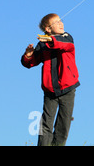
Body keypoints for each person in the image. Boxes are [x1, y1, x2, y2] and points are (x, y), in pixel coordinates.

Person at [21, 13, 80, 146]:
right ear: (48, 29)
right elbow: (30, 63)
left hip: (68, 88)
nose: (61, 24)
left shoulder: (67, 37)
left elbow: (64, 45)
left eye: (61, 21)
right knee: (46, 124)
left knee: (64, 123)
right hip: (50, 92)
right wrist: (28, 55)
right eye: (57, 22)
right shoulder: (42, 44)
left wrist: (51, 41)